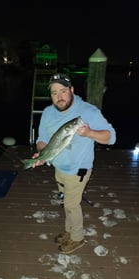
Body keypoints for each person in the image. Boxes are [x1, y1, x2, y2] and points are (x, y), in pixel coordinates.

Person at [31, 73, 116, 254]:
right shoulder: (47, 113)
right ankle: (69, 231)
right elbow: (42, 138)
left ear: (71, 90)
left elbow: (111, 138)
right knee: (67, 201)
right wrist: (42, 153)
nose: (59, 96)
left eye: (63, 91)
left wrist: (89, 133)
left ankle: (76, 238)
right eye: (54, 93)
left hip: (78, 169)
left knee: (71, 205)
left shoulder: (88, 111)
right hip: (58, 167)